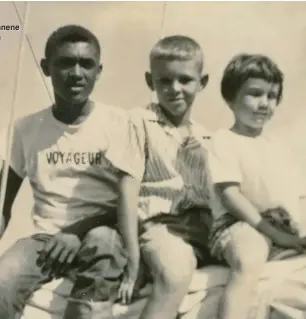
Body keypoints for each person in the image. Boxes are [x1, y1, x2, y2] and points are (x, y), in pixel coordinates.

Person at [0, 25, 142, 319]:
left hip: (103, 233)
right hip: (46, 242)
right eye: (65, 63)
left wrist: (75, 233)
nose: (77, 73)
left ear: (99, 71)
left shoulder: (122, 123)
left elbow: (133, 200)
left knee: (89, 293)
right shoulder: (26, 130)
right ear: (46, 68)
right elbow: (0, 206)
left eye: (86, 64)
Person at [207, 53, 306, 319]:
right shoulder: (225, 140)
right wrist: (272, 233)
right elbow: (230, 195)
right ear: (230, 97)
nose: (265, 104)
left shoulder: (279, 148)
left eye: (272, 96)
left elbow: (293, 201)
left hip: (279, 228)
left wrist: (297, 236)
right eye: (255, 94)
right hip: (239, 225)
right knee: (250, 258)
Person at [126, 35, 216, 319]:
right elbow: (126, 192)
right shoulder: (138, 121)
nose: (175, 89)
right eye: (164, 81)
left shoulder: (206, 138)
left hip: (204, 225)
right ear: (150, 81)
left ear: (202, 82)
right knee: (176, 273)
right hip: (160, 223)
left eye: (185, 80)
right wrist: (133, 255)